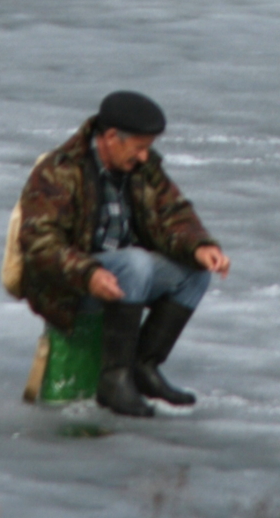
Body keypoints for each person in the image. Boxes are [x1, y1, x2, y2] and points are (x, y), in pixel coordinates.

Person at [17, 91, 230, 418]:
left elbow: (173, 211)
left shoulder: (143, 169)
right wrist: (88, 274)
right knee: (135, 263)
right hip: (70, 286)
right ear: (112, 138)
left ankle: (144, 366)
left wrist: (200, 245)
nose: (145, 156)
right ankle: (113, 379)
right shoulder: (59, 171)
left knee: (194, 273)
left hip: (125, 279)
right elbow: (39, 244)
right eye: (140, 147)